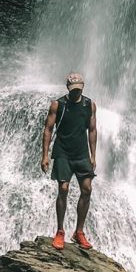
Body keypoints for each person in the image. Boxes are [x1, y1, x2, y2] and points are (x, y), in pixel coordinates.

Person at [41, 72, 97, 250]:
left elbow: (93, 130)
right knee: (63, 188)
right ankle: (60, 231)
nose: (75, 93)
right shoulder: (58, 104)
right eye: (73, 90)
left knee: (87, 189)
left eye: (78, 90)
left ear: (82, 88)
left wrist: (93, 155)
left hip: (81, 154)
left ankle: (79, 232)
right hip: (63, 152)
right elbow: (48, 129)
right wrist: (45, 155)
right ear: (67, 88)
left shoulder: (89, 104)